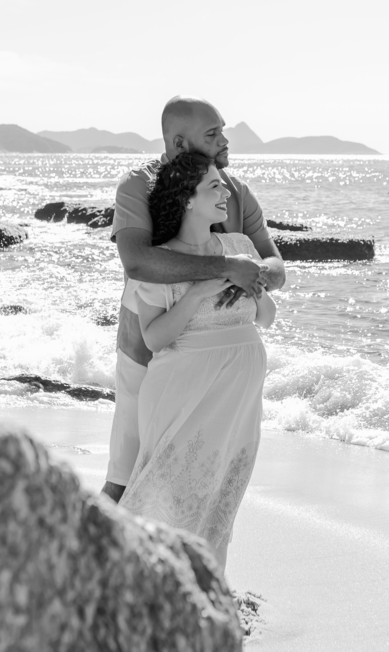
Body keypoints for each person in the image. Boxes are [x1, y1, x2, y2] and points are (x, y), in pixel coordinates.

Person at [103, 96, 286, 503]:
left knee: (206, 481)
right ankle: (86, 558)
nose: (224, 140)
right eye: (213, 134)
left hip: (218, 366)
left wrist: (252, 277)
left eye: (222, 130)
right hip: (147, 349)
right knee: (129, 475)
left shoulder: (236, 191)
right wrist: (225, 269)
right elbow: (138, 262)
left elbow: (274, 266)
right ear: (180, 144)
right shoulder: (137, 185)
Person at [118, 151, 275, 570]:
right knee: (166, 494)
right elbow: (154, 338)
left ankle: (207, 592)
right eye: (214, 186)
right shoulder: (160, 261)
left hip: (239, 399)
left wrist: (251, 287)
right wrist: (199, 291)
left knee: (223, 494)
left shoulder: (239, 248)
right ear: (188, 199)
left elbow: (268, 317)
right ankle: (136, 583)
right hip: (182, 394)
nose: (226, 191)